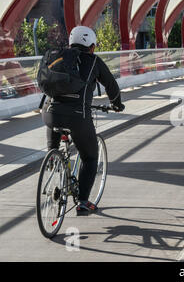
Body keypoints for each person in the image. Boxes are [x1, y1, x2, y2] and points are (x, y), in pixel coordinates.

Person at [41, 26, 125, 216]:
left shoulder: (58, 57)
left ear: (70, 43)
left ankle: (53, 160)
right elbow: (111, 85)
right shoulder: (93, 60)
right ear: (92, 47)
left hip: (50, 112)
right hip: (78, 116)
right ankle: (83, 202)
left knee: (55, 141)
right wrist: (117, 104)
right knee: (90, 157)